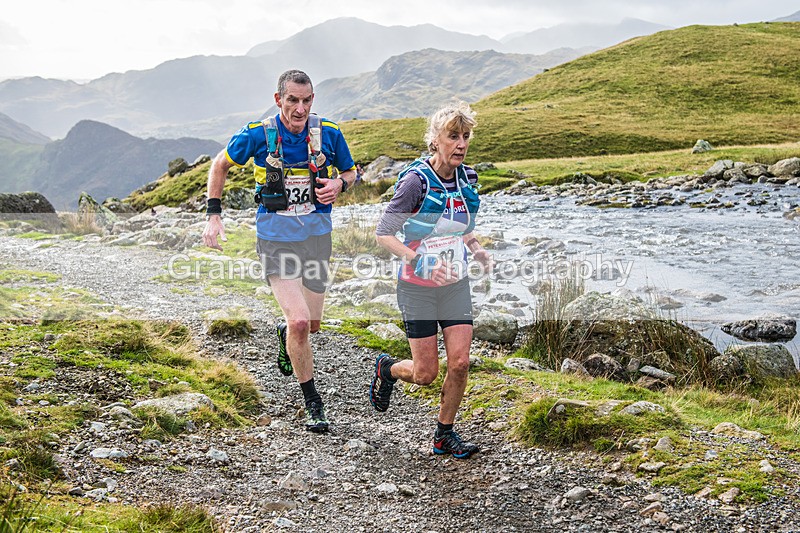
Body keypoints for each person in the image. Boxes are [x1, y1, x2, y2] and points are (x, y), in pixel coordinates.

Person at [202, 69, 356, 433]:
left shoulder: (330, 133)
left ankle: (285, 331)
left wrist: (339, 183)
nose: (299, 109)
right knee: (300, 322)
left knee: (311, 325)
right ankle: (312, 401)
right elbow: (219, 165)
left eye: (306, 101)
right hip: (275, 238)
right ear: (278, 100)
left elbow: (351, 173)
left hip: (318, 236)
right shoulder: (258, 134)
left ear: (312, 100)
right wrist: (214, 216)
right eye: (292, 101)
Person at [370, 101, 491, 458]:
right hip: (417, 288)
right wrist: (417, 260)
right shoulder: (415, 182)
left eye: (466, 136)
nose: (461, 144)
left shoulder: (467, 179)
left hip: (455, 284)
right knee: (425, 374)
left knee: (461, 362)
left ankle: (444, 434)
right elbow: (384, 234)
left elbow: (463, 227)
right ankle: (387, 369)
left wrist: (477, 247)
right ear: (435, 140)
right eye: (453, 136)